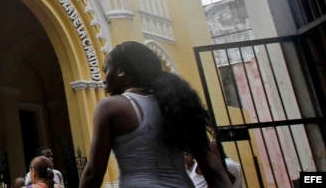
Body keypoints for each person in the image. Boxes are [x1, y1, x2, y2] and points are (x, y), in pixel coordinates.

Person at [79, 41, 233, 188]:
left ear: (121, 71)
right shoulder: (179, 105)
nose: (104, 79)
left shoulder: (111, 107)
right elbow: (215, 172)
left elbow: (93, 174)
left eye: (106, 70)